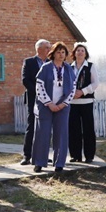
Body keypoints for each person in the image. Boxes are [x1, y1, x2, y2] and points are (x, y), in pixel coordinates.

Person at [32, 41, 75, 173]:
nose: (61, 55)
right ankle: (39, 162)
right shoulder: (46, 67)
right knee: (42, 133)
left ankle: (59, 163)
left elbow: (73, 88)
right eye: (58, 52)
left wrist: (62, 104)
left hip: (62, 106)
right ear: (53, 53)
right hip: (46, 106)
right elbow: (39, 87)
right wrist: (49, 103)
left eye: (63, 52)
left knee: (61, 134)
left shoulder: (68, 69)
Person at [20, 39, 49, 166]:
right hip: (34, 98)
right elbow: (25, 80)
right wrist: (38, 92)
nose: (49, 50)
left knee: (45, 127)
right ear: (39, 49)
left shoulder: (51, 63)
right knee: (31, 125)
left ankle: (43, 155)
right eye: (47, 47)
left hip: (48, 100)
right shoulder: (29, 62)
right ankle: (27, 155)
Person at [68, 43, 99, 163]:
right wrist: (72, 93)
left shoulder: (90, 66)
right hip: (72, 102)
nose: (80, 52)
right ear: (74, 53)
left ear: (86, 54)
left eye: (82, 50)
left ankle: (89, 155)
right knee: (73, 129)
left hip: (87, 101)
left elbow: (95, 83)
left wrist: (83, 91)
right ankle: (75, 155)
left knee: (88, 129)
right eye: (78, 50)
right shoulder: (69, 67)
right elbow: (65, 83)